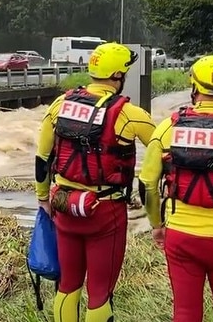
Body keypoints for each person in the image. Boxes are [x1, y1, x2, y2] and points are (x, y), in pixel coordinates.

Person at [35, 42, 156, 322]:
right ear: (118, 76)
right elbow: (163, 149)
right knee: (100, 292)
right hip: (106, 212)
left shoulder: (60, 104)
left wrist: (43, 199)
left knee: (67, 286)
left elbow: (42, 158)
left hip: (64, 205)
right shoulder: (129, 114)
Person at [138, 55, 213, 322]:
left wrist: (156, 225)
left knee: (186, 314)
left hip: (181, 237)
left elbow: (147, 184)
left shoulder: (168, 127)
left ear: (195, 87)